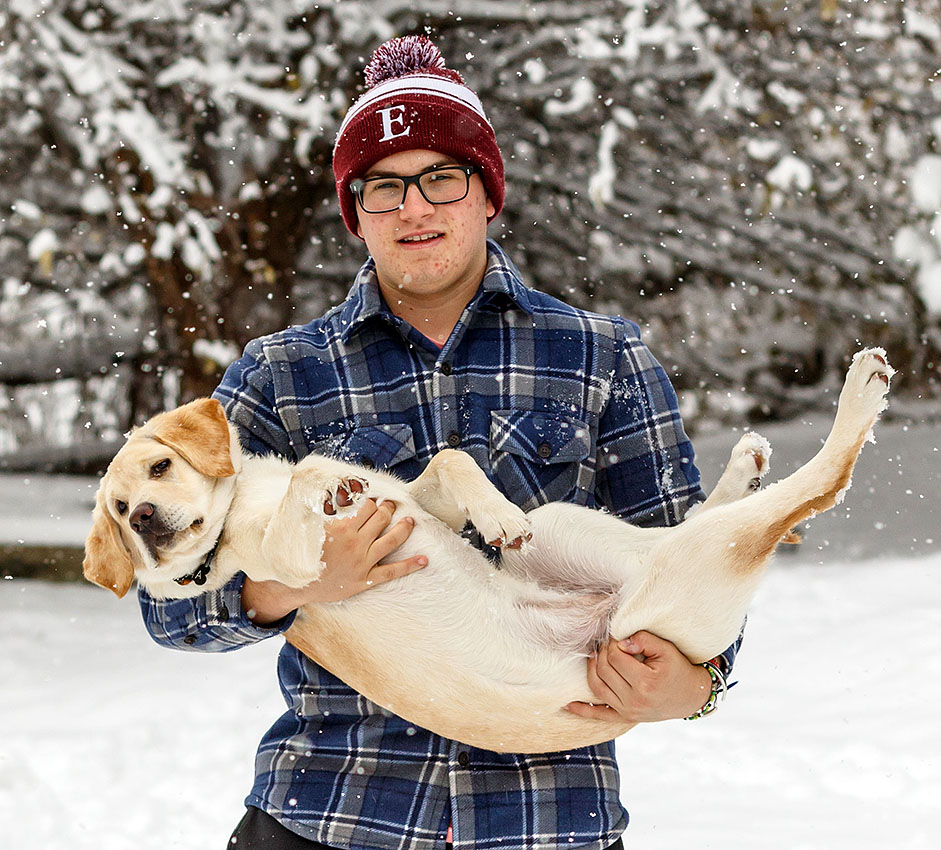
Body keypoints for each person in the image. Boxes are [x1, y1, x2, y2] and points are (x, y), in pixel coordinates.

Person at [140, 35, 741, 850]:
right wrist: (289, 585)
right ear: (355, 215)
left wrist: (696, 686)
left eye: (439, 178)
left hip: (546, 818)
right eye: (383, 188)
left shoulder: (603, 357)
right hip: (331, 811)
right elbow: (166, 604)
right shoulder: (281, 376)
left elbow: (694, 557)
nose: (413, 209)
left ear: (486, 192)